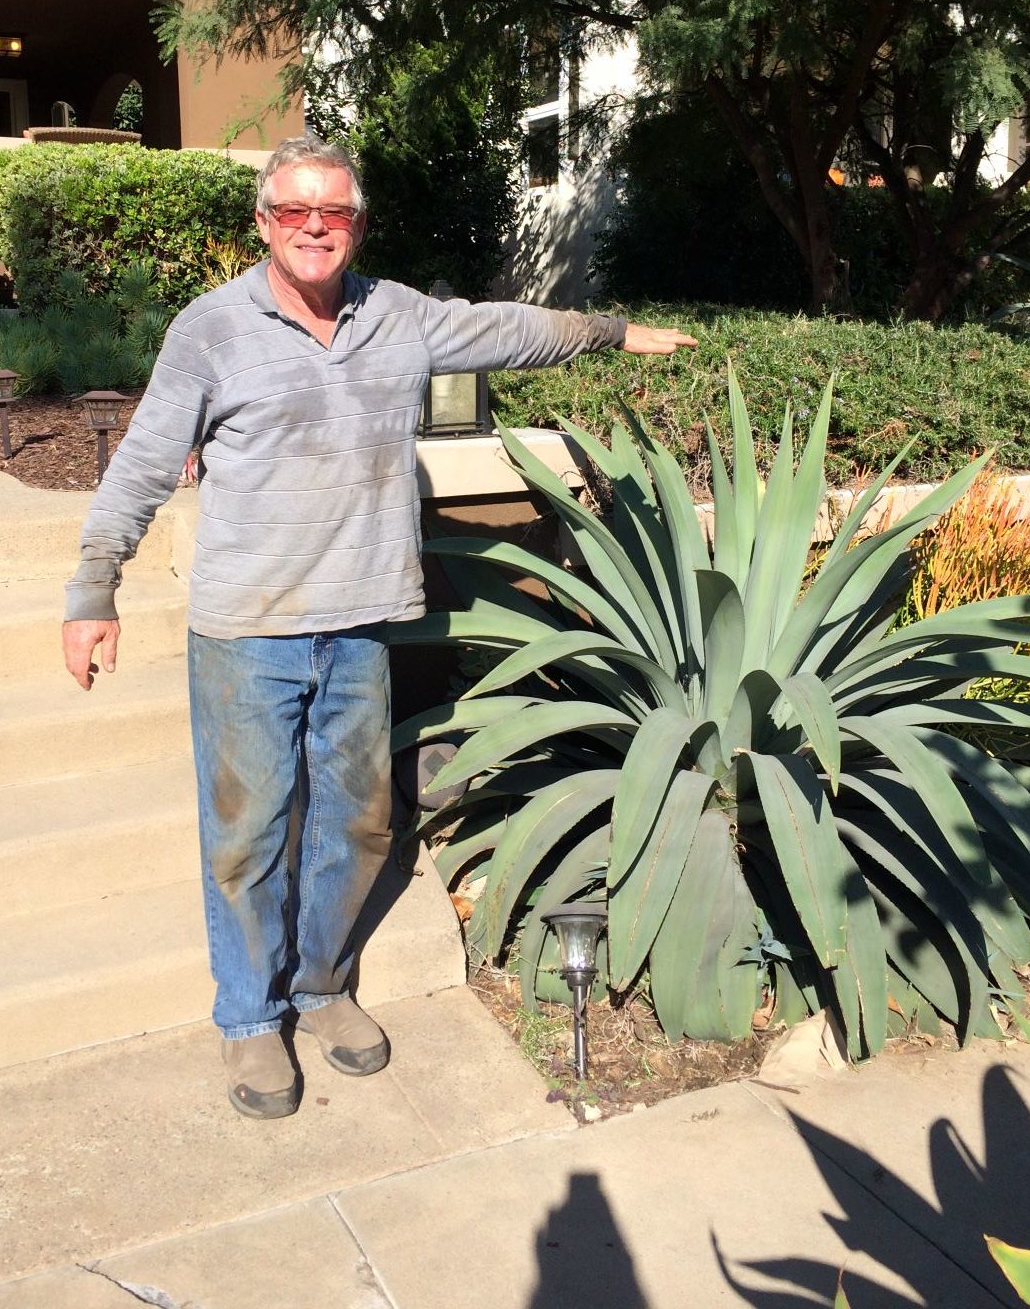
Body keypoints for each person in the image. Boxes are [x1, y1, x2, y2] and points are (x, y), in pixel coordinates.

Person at [62, 133, 697, 1120]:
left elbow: (504, 328)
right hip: (249, 631)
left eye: (336, 212)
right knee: (247, 832)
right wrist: (94, 590)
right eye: (294, 211)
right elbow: (144, 464)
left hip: (360, 625)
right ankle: (249, 1016)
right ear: (264, 221)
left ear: (357, 223)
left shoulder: (394, 316)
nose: (316, 228)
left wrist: (609, 331)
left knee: (359, 823)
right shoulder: (211, 331)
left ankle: (320, 985)